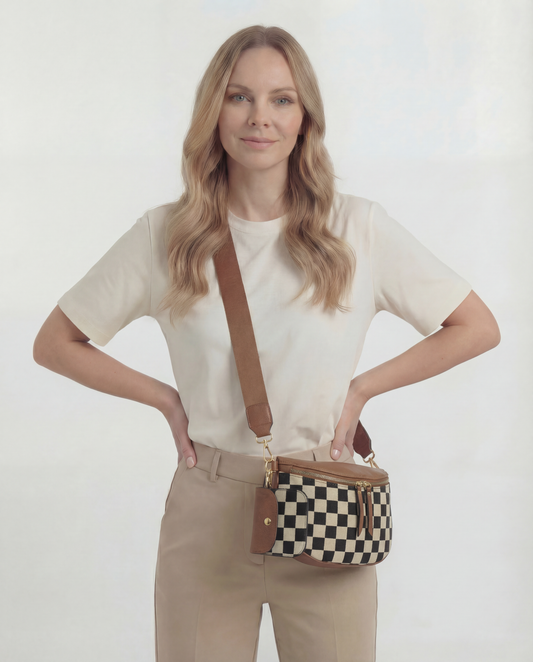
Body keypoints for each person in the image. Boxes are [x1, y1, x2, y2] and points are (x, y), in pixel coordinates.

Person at [33, 24, 500, 662]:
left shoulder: (356, 229)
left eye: (282, 99)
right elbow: (56, 342)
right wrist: (167, 400)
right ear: (214, 111)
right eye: (239, 97)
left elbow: (476, 326)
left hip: (325, 507)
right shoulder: (166, 236)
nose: (260, 117)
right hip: (208, 514)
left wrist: (362, 390)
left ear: (305, 118)